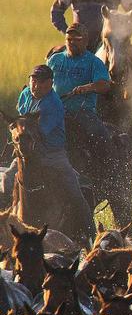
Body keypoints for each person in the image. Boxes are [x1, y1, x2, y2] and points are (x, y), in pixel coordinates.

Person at [14, 65, 95, 244]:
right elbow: (21, 122)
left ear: (50, 84)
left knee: (74, 191)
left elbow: (39, 132)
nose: (35, 86)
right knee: (6, 179)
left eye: (41, 82)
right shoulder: (25, 94)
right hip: (27, 150)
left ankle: (91, 234)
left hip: (52, 153)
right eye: (33, 81)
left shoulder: (53, 104)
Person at [46, 23, 115, 164]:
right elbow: (43, 82)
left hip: (82, 112)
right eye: (69, 39)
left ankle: (107, 169)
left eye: (76, 39)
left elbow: (105, 85)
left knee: (101, 136)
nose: (72, 42)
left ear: (85, 41)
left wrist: (87, 87)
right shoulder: (54, 60)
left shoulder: (93, 62)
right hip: (56, 111)